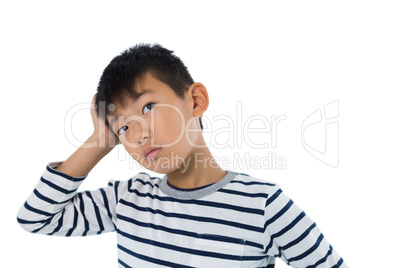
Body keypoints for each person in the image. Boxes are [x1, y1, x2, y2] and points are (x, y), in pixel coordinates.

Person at [17, 44, 347, 267]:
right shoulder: (128, 199)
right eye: (123, 129)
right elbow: (36, 219)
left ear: (196, 100)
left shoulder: (262, 205)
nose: (139, 134)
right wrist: (99, 140)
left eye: (148, 107)